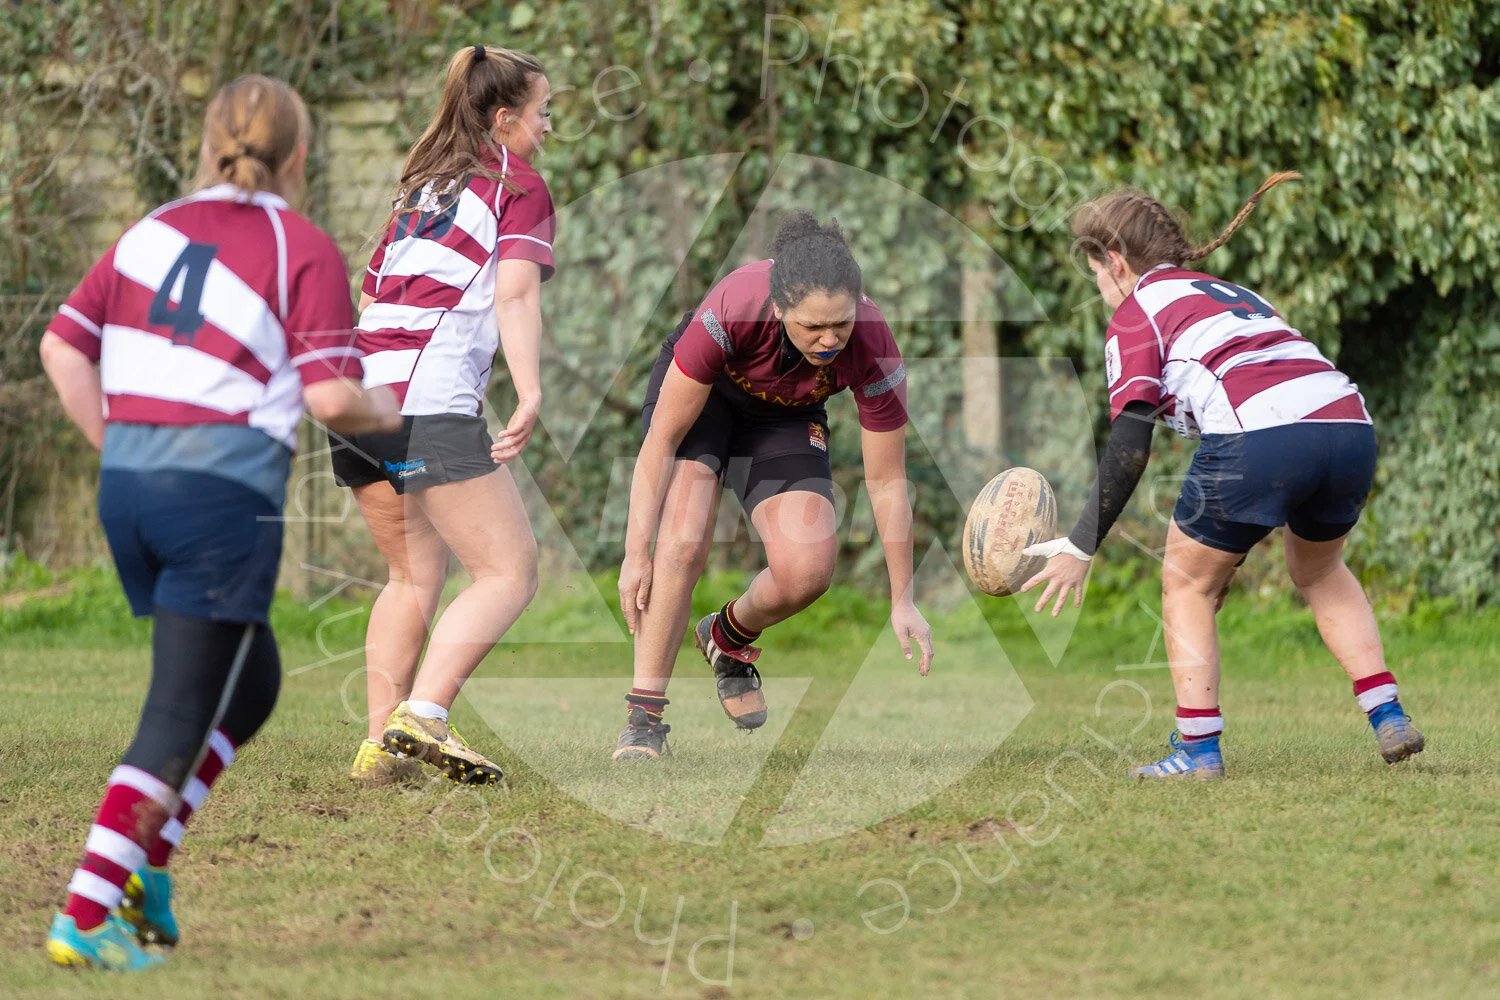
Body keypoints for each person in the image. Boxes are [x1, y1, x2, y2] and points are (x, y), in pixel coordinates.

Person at [38, 75, 401, 971]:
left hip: (128, 487)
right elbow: (327, 396)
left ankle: (148, 864)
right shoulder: (298, 243)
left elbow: (60, 346)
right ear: (301, 156)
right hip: (217, 500)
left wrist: (125, 446)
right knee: (175, 714)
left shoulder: (146, 233)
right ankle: (86, 915)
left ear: (207, 144)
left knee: (253, 683)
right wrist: (391, 409)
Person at [1021, 172, 1424, 781]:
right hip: (1349, 425)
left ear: (1115, 260)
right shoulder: (1226, 291)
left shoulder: (1138, 311)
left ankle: (1199, 753)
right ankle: (1386, 712)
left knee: (1187, 586)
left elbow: (1131, 442)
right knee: (1319, 569)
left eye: (1095, 269)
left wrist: (1082, 544)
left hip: (1260, 434)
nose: (1100, 284)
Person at [612, 212, 934, 761]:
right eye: (812, 327)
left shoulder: (873, 345)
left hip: (784, 416)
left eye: (841, 324)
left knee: (808, 571)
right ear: (779, 307)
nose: (830, 340)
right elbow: (662, 440)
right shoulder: (734, 308)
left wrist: (902, 597)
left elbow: (886, 480)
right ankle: (644, 720)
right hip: (705, 399)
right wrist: (634, 552)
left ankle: (727, 638)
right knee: (683, 540)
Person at [333, 44, 555, 786]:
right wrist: (529, 390)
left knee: (410, 577)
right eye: (542, 113)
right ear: (504, 119)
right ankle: (423, 716)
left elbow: (375, 297)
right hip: (425, 407)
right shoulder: (514, 184)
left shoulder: (419, 188)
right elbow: (515, 294)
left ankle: (379, 749)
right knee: (509, 571)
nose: (547, 129)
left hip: (358, 402)